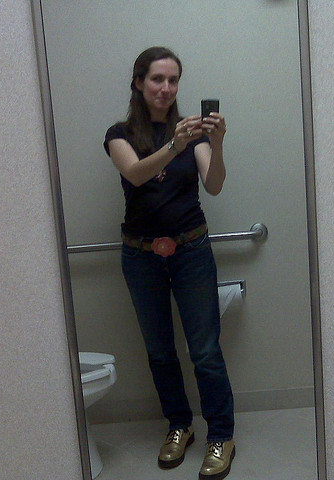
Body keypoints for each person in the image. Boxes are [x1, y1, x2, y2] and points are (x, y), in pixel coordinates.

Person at [103, 46, 235, 480]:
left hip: (191, 251)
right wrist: (173, 145)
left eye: (173, 80)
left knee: (205, 351)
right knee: (160, 352)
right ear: (138, 83)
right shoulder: (119, 133)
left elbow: (214, 185)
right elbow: (136, 173)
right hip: (141, 255)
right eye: (157, 79)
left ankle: (221, 435)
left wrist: (215, 142)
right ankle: (180, 425)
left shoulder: (193, 134)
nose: (166, 88)